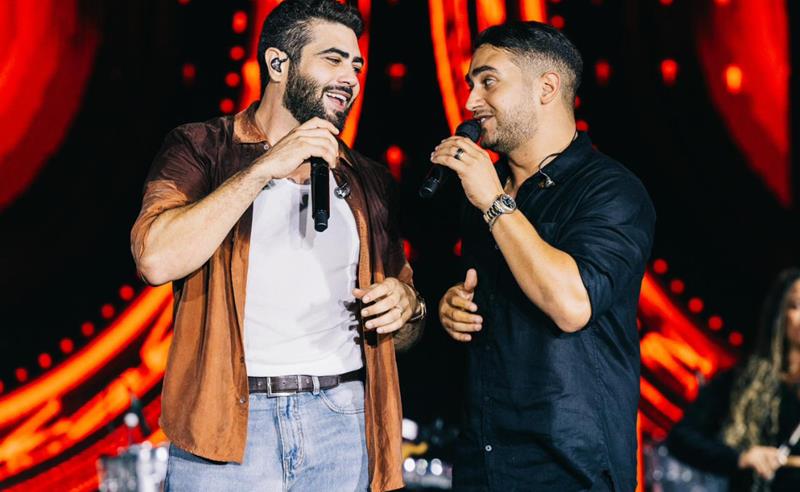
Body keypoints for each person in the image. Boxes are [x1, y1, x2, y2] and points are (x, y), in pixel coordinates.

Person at [130, 1, 425, 490]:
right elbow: (155, 259)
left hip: (341, 422)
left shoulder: (368, 179)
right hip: (227, 424)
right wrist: (264, 167)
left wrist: (408, 306)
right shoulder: (202, 148)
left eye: (356, 65)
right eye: (332, 59)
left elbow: (407, 329)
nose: (350, 78)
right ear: (277, 64)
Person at [433, 21, 656, 491]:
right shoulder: (483, 194)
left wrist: (494, 203)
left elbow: (571, 304)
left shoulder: (611, 190)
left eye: (488, 81)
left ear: (547, 88)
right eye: (470, 84)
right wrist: (453, 305)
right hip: (482, 461)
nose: (471, 102)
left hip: (568, 468)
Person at [667, 269, 800, 492]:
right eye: (796, 305)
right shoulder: (745, 381)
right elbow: (682, 438)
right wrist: (741, 458)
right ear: (779, 313)